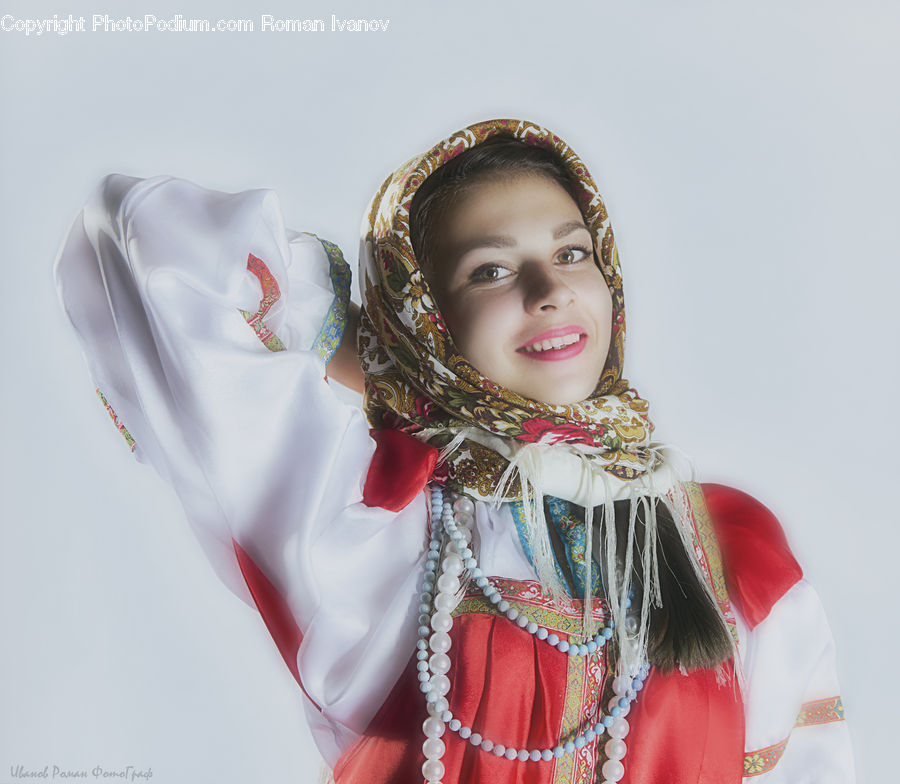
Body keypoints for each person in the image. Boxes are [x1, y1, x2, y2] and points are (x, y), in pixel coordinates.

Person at [54, 118, 854, 783]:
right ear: (427, 320)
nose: (548, 291)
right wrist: (373, 350)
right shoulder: (378, 528)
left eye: (573, 253)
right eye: (492, 270)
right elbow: (145, 243)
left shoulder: (733, 549)